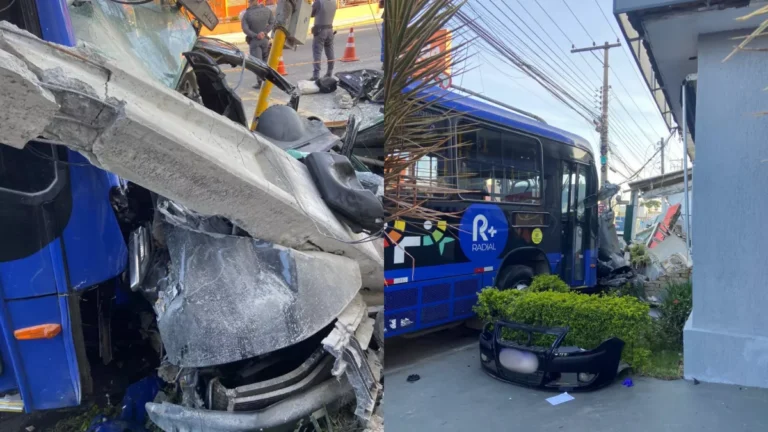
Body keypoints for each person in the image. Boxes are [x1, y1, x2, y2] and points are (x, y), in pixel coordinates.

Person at [241, 0, 275, 89]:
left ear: (251, 2)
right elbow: (272, 22)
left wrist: (255, 35)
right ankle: (268, 80)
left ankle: (260, 82)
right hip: (265, 40)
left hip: (254, 41)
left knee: (258, 63)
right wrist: (264, 32)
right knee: (266, 61)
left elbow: (245, 29)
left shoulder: (247, 14)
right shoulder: (267, 10)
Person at [310, 0, 337, 81]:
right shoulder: (334, 2)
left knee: (317, 53)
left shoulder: (318, 2)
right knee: (330, 53)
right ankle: (329, 73)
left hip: (320, 31)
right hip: (330, 30)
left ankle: (316, 75)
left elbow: (311, 14)